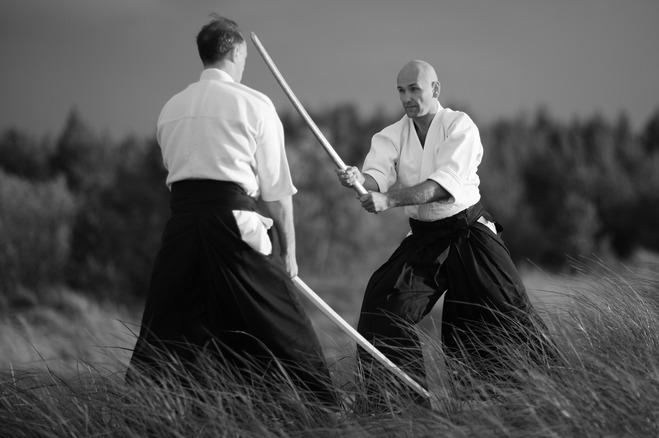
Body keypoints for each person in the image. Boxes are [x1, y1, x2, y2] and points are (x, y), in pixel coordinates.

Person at [128, 15, 337, 407]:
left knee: (166, 328)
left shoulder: (170, 108)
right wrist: (289, 254)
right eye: (243, 56)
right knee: (284, 321)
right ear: (237, 52)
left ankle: (143, 413)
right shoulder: (254, 104)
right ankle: (328, 412)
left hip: (182, 228)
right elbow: (277, 190)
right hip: (234, 223)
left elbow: (176, 173)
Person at [337, 60, 558, 406]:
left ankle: (554, 397)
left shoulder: (460, 127)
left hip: (470, 233)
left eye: (414, 89)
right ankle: (402, 410)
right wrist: (358, 181)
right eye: (400, 91)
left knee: (510, 314)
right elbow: (375, 179)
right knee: (384, 305)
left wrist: (388, 200)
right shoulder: (391, 135)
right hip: (425, 239)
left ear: (435, 90)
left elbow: (442, 187)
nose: (406, 98)